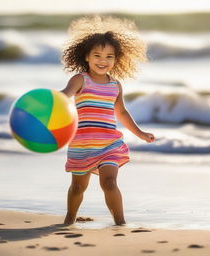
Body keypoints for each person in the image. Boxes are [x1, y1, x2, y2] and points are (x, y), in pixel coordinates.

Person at [61, 15, 155, 225]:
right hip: (82, 144)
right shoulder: (80, 79)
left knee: (110, 182)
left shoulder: (115, 85)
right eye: (97, 55)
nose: (103, 61)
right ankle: (69, 220)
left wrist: (140, 133)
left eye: (109, 56)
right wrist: (50, 100)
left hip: (109, 143)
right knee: (78, 187)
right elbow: (65, 95)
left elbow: (121, 112)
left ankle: (120, 222)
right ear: (86, 56)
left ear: (116, 59)